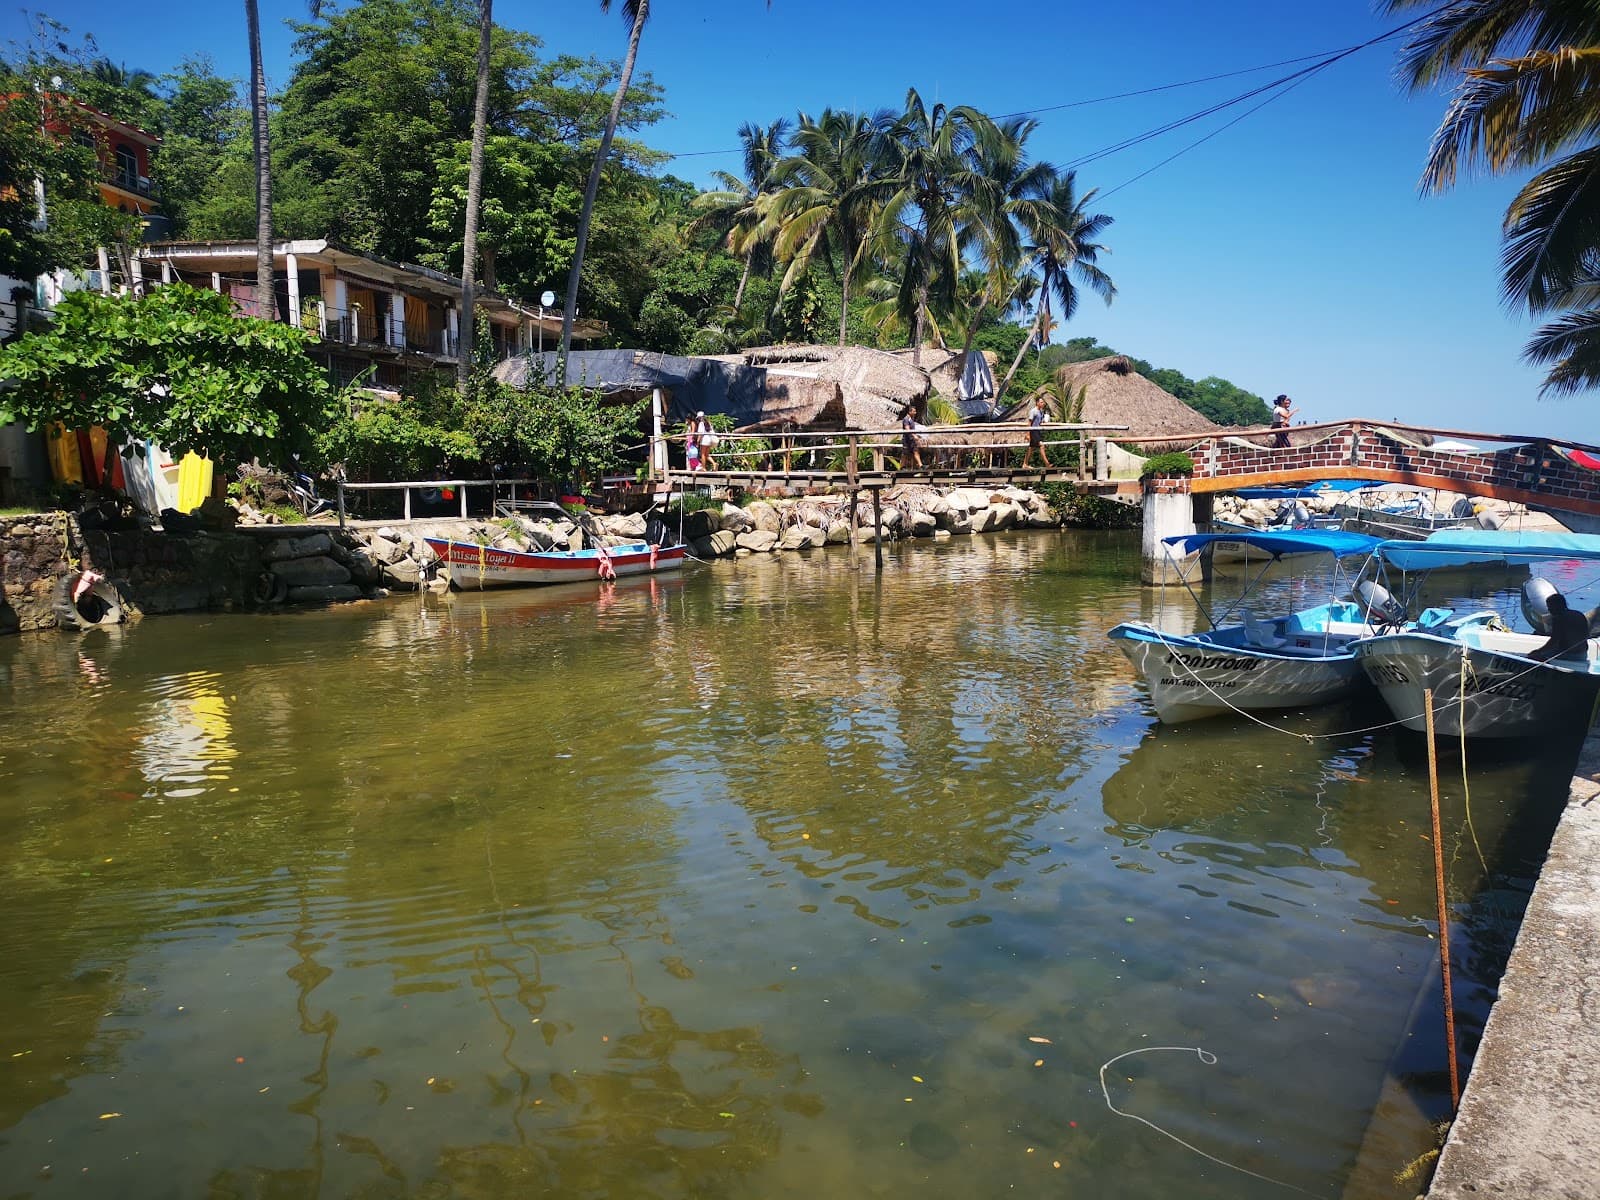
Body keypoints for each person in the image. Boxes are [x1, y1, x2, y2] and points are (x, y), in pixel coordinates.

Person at [1530, 592, 1592, 662]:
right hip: (1583, 655)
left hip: (1568, 656)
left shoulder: (1559, 618)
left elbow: (1554, 641)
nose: (1549, 609)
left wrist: (1538, 651)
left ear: (1556, 606)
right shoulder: (1579, 614)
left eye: (1549, 606)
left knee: (1534, 656)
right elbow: (1586, 634)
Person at [1023, 394, 1052, 468]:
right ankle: (1047, 463)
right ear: (1037, 403)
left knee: (1031, 448)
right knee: (1041, 445)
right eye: (1041, 402)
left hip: (1037, 431)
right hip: (1033, 431)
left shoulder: (1041, 412)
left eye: (1043, 402)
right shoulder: (1033, 411)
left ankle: (1025, 464)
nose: (1043, 404)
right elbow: (1029, 422)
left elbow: (1040, 422)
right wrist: (1028, 434)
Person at [901, 403, 923, 469]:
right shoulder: (906, 419)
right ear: (910, 411)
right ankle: (902, 467)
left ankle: (921, 465)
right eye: (914, 411)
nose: (915, 413)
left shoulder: (911, 419)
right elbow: (907, 429)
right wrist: (914, 436)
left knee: (916, 451)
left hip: (911, 440)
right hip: (907, 440)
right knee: (905, 454)